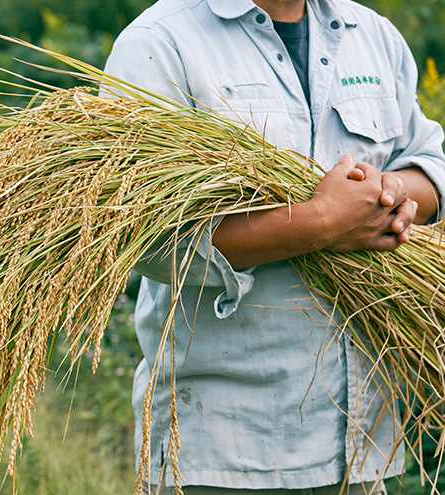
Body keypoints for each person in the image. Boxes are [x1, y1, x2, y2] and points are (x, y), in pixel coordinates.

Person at [103, 0, 445, 493]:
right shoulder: (160, 41)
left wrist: (389, 193)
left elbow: (429, 168)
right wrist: (320, 222)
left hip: (361, 447)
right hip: (219, 453)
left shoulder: (372, 33)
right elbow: (146, 241)